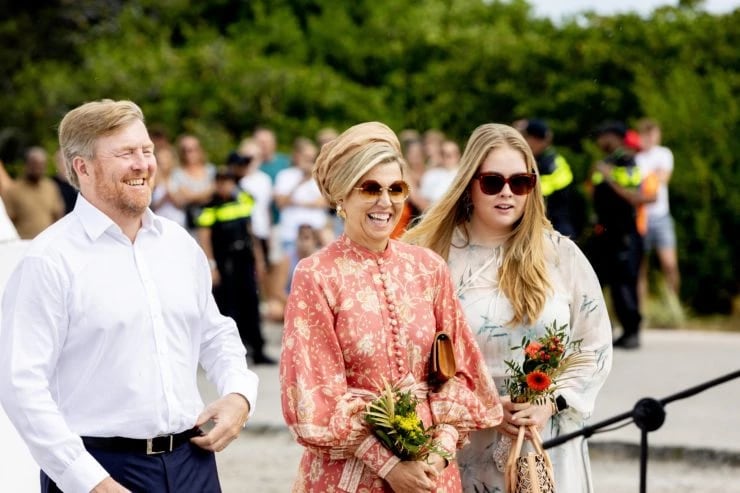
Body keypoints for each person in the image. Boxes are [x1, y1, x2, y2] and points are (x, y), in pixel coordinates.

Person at [0, 99, 258, 493]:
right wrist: (89, 481)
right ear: (81, 167)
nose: (143, 164)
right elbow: (21, 386)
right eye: (125, 153)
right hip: (99, 469)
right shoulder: (48, 260)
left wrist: (240, 393)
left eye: (147, 151)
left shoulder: (178, 244)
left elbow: (215, 334)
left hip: (194, 464)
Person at [280, 122, 502, 492]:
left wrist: (438, 454)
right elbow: (314, 389)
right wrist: (389, 467)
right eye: (371, 188)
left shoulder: (428, 267)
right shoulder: (316, 274)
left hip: (430, 472)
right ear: (342, 197)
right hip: (351, 474)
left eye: (396, 188)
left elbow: (459, 369)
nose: (386, 201)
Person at [403, 123, 613, 493]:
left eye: (520, 182)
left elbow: (593, 345)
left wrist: (552, 400)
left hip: (546, 438)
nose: (506, 193)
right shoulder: (430, 256)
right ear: (469, 183)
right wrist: (482, 405)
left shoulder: (560, 254)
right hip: (463, 440)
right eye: (492, 182)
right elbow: (406, 357)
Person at [587, 120, 656, 349]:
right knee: (607, 282)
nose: (598, 141)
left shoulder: (627, 161)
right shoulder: (606, 161)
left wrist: (608, 176)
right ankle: (618, 330)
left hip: (625, 232)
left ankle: (632, 330)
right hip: (606, 231)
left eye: (601, 136)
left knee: (625, 282)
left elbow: (635, 196)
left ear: (613, 136)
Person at [196, 164, 274, 365]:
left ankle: (258, 349)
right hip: (225, 262)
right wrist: (211, 266)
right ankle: (235, 354)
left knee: (251, 304)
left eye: (228, 181)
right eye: (220, 181)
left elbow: (250, 232)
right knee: (230, 307)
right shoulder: (210, 207)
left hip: (244, 259)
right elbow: (204, 238)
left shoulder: (242, 201)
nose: (224, 185)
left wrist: (258, 259)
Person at [636, 118, 680, 303]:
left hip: (661, 216)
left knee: (669, 264)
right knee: (640, 267)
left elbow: (662, 178)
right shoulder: (637, 158)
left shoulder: (664, 153)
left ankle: (673, 304)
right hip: (642, 217)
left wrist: (645, 181)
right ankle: (641, 309)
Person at [517, 118, 576, 237]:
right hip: (534, 228)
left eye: (527, 137)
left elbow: (541, 191)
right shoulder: (529, 160)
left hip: (556, 229)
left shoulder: (556, 163)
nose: (526, 142)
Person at [2, 146, 65, 239]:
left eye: (41, 165)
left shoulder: (51, 187)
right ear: (26, 165)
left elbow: (58, 215)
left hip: (47, 242)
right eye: (34, 164)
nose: (38, 168)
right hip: (22, 243)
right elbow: (8, 220)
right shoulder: (14, 190)